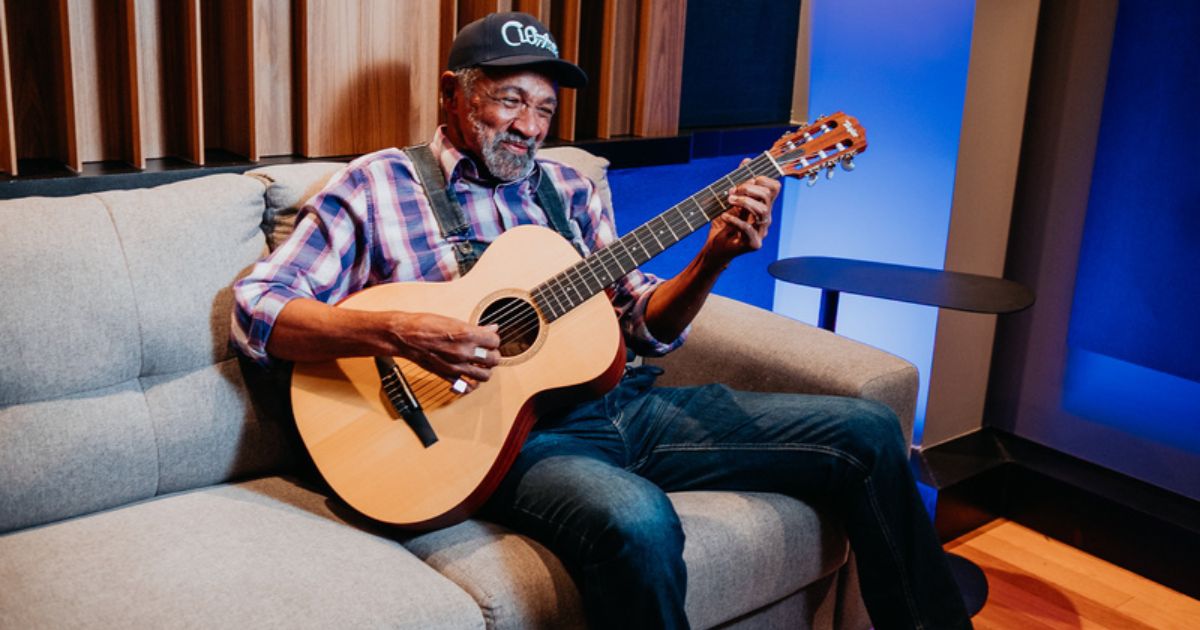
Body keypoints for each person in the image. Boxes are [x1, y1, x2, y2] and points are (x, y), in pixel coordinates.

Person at [232, 11, 971, 630]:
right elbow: (259, 306)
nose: (529, 127)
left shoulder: (570, 189)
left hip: (622, 407)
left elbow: (643, 325)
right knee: (638, 521)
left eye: (545, 110)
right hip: (500, 439)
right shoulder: (378, 184)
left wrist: (712, 260)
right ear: (453, 93)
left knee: (869, 430)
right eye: (510, 101)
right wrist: (402, 332)